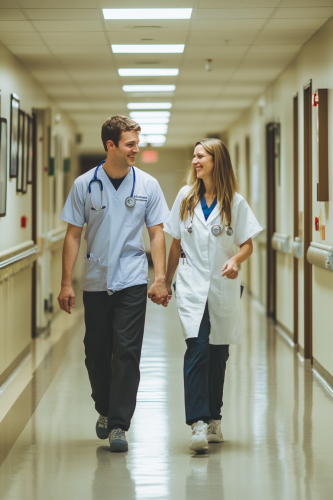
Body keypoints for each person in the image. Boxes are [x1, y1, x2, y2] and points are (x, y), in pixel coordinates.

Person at [57, 115, 170, 453]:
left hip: (133, 279)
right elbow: (73, 235)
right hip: (95, 280)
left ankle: (119, 424)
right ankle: (104, 409)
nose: (137, 149)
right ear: (111, 146)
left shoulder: (147, 185)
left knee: (126, 352)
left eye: (137, 142)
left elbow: (157, 232)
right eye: (130, 144)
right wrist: (66, 284)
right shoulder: (84, 185)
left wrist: (161, 277)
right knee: (96, 352)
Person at [163, 138, 263, 452]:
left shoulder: (235, 201)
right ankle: (197, 423)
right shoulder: (185, 197)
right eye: (193, 156)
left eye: (201, 156)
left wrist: (236, 260)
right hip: (191, 286)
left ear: (216, 161)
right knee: (197, 347)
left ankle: (215, 418)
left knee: (218, 353)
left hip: (223, 287)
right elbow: (176, 244)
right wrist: (165, 283)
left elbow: (247, 243)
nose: (195, 161)